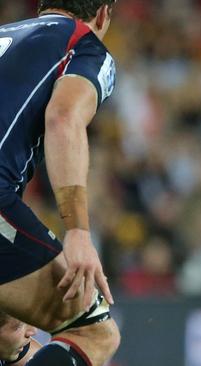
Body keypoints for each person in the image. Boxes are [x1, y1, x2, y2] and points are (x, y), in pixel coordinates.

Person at [0, 1, 120, 365]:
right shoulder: (82, 44)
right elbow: (64, 117)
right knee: (94, 333)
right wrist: (79, 231)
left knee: (8, 336)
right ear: (102, 14)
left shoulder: (7, 34)